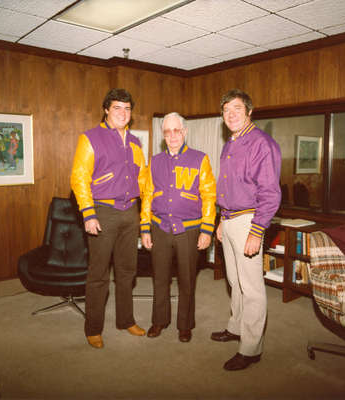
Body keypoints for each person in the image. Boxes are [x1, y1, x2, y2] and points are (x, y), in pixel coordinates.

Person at [71, 88, 147, 349]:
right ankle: (93, 328)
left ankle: (126, 320)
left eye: (127, 109)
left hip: (130, 212)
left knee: (127, 271)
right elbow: (79, 178)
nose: (123, 113)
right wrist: (88, 213)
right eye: (117, 108)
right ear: (106, 110)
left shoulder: (136, 143)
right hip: (102, 211)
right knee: (99, 274)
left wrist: (145, 215)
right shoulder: (90, 138)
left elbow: (143, 179)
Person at [211, 89, 281, 370]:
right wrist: (220, 220)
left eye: (237, 109)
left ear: (249, 112)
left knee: (251, 287)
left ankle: (251, 349)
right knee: (234, 281)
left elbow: (270, 194)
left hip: (248, 221)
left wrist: (256, 231)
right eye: (226, 110)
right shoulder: (230, 142)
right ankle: (236, 328)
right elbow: (228, 186)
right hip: (228, 219)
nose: (231, 115)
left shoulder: (262, 144)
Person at [140, 112, 216, 342]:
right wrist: (145, 228)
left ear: (184, 132)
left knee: (187, 279)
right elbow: (147, 196)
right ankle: (159, 321)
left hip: (190, 230)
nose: (172, 135)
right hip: (160, 228)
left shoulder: (200, 159)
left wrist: (207, 229)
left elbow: (209, 196)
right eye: (167, 131)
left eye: (176, 130)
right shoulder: (154, 161)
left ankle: (185, 324)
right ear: (163, 135)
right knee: (160, 278)